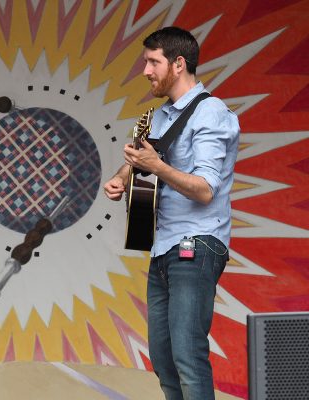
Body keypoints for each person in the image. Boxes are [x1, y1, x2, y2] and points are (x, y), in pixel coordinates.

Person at [104, 27, 240, 400]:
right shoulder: (159, 116)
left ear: (179, 64)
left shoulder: (211, 112)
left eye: (153, 62)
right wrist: (120, 179)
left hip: (196, 244)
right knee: (163, 362)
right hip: (163, 248)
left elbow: (205, 188)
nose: (146, 70)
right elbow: (139, 164)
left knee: (187, 357)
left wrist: (157, 167)